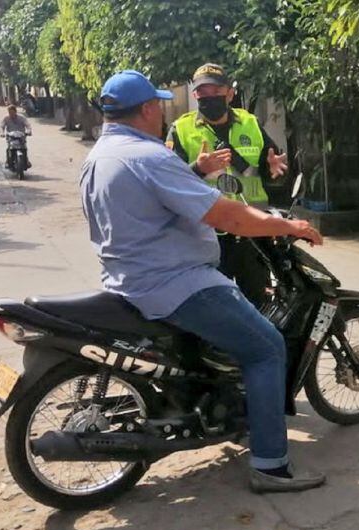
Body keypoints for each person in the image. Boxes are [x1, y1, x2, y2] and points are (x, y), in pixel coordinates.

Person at [80, 70, 325, 493]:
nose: (162, 110)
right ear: (147, 109)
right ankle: (270, 465)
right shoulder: (149, 155)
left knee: (228, 344)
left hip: (129, 278)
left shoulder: (98, 156)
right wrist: (287, 227)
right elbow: (226, 215)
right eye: (158, 104)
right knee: (266, 347)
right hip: (177, 282)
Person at [165, 63, 288, 307]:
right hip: (206, 239)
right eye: (203, 93)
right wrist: (198, 168)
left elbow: (273, 170)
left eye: (216, 92)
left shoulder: (250, 123)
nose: (209, 98)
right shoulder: (181, 130)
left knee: (259, 308)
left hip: (251, 236)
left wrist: (275, 172)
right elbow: (168, 186)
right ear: (195, 95)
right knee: (214, 310)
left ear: (229, 93)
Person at [0, 104, 32, 170]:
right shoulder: (6, 118)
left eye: (12, 112)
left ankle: (26, 160)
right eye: (9, 112)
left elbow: (28, 125)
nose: (11, 114)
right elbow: (2, 126)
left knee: (24, 148)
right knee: (9, 148)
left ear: (15, 111)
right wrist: (2, 133)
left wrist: (29, 131)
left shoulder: (21, 118)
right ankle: (8, 161)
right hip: (11, 137)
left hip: (21, 137)